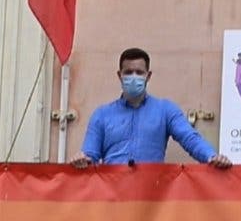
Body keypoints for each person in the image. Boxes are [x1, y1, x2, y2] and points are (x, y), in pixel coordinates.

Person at [70, 47, 232, 168]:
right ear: (119, 75)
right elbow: (90, 156)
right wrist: (82, 160)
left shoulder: (166, 110)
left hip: (152, 202)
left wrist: (211, 157)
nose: (134, 77)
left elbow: (189, 138)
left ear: (148, 76)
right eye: (129, 72)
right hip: (114, 200)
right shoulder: (102, 115)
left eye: (139, 72)